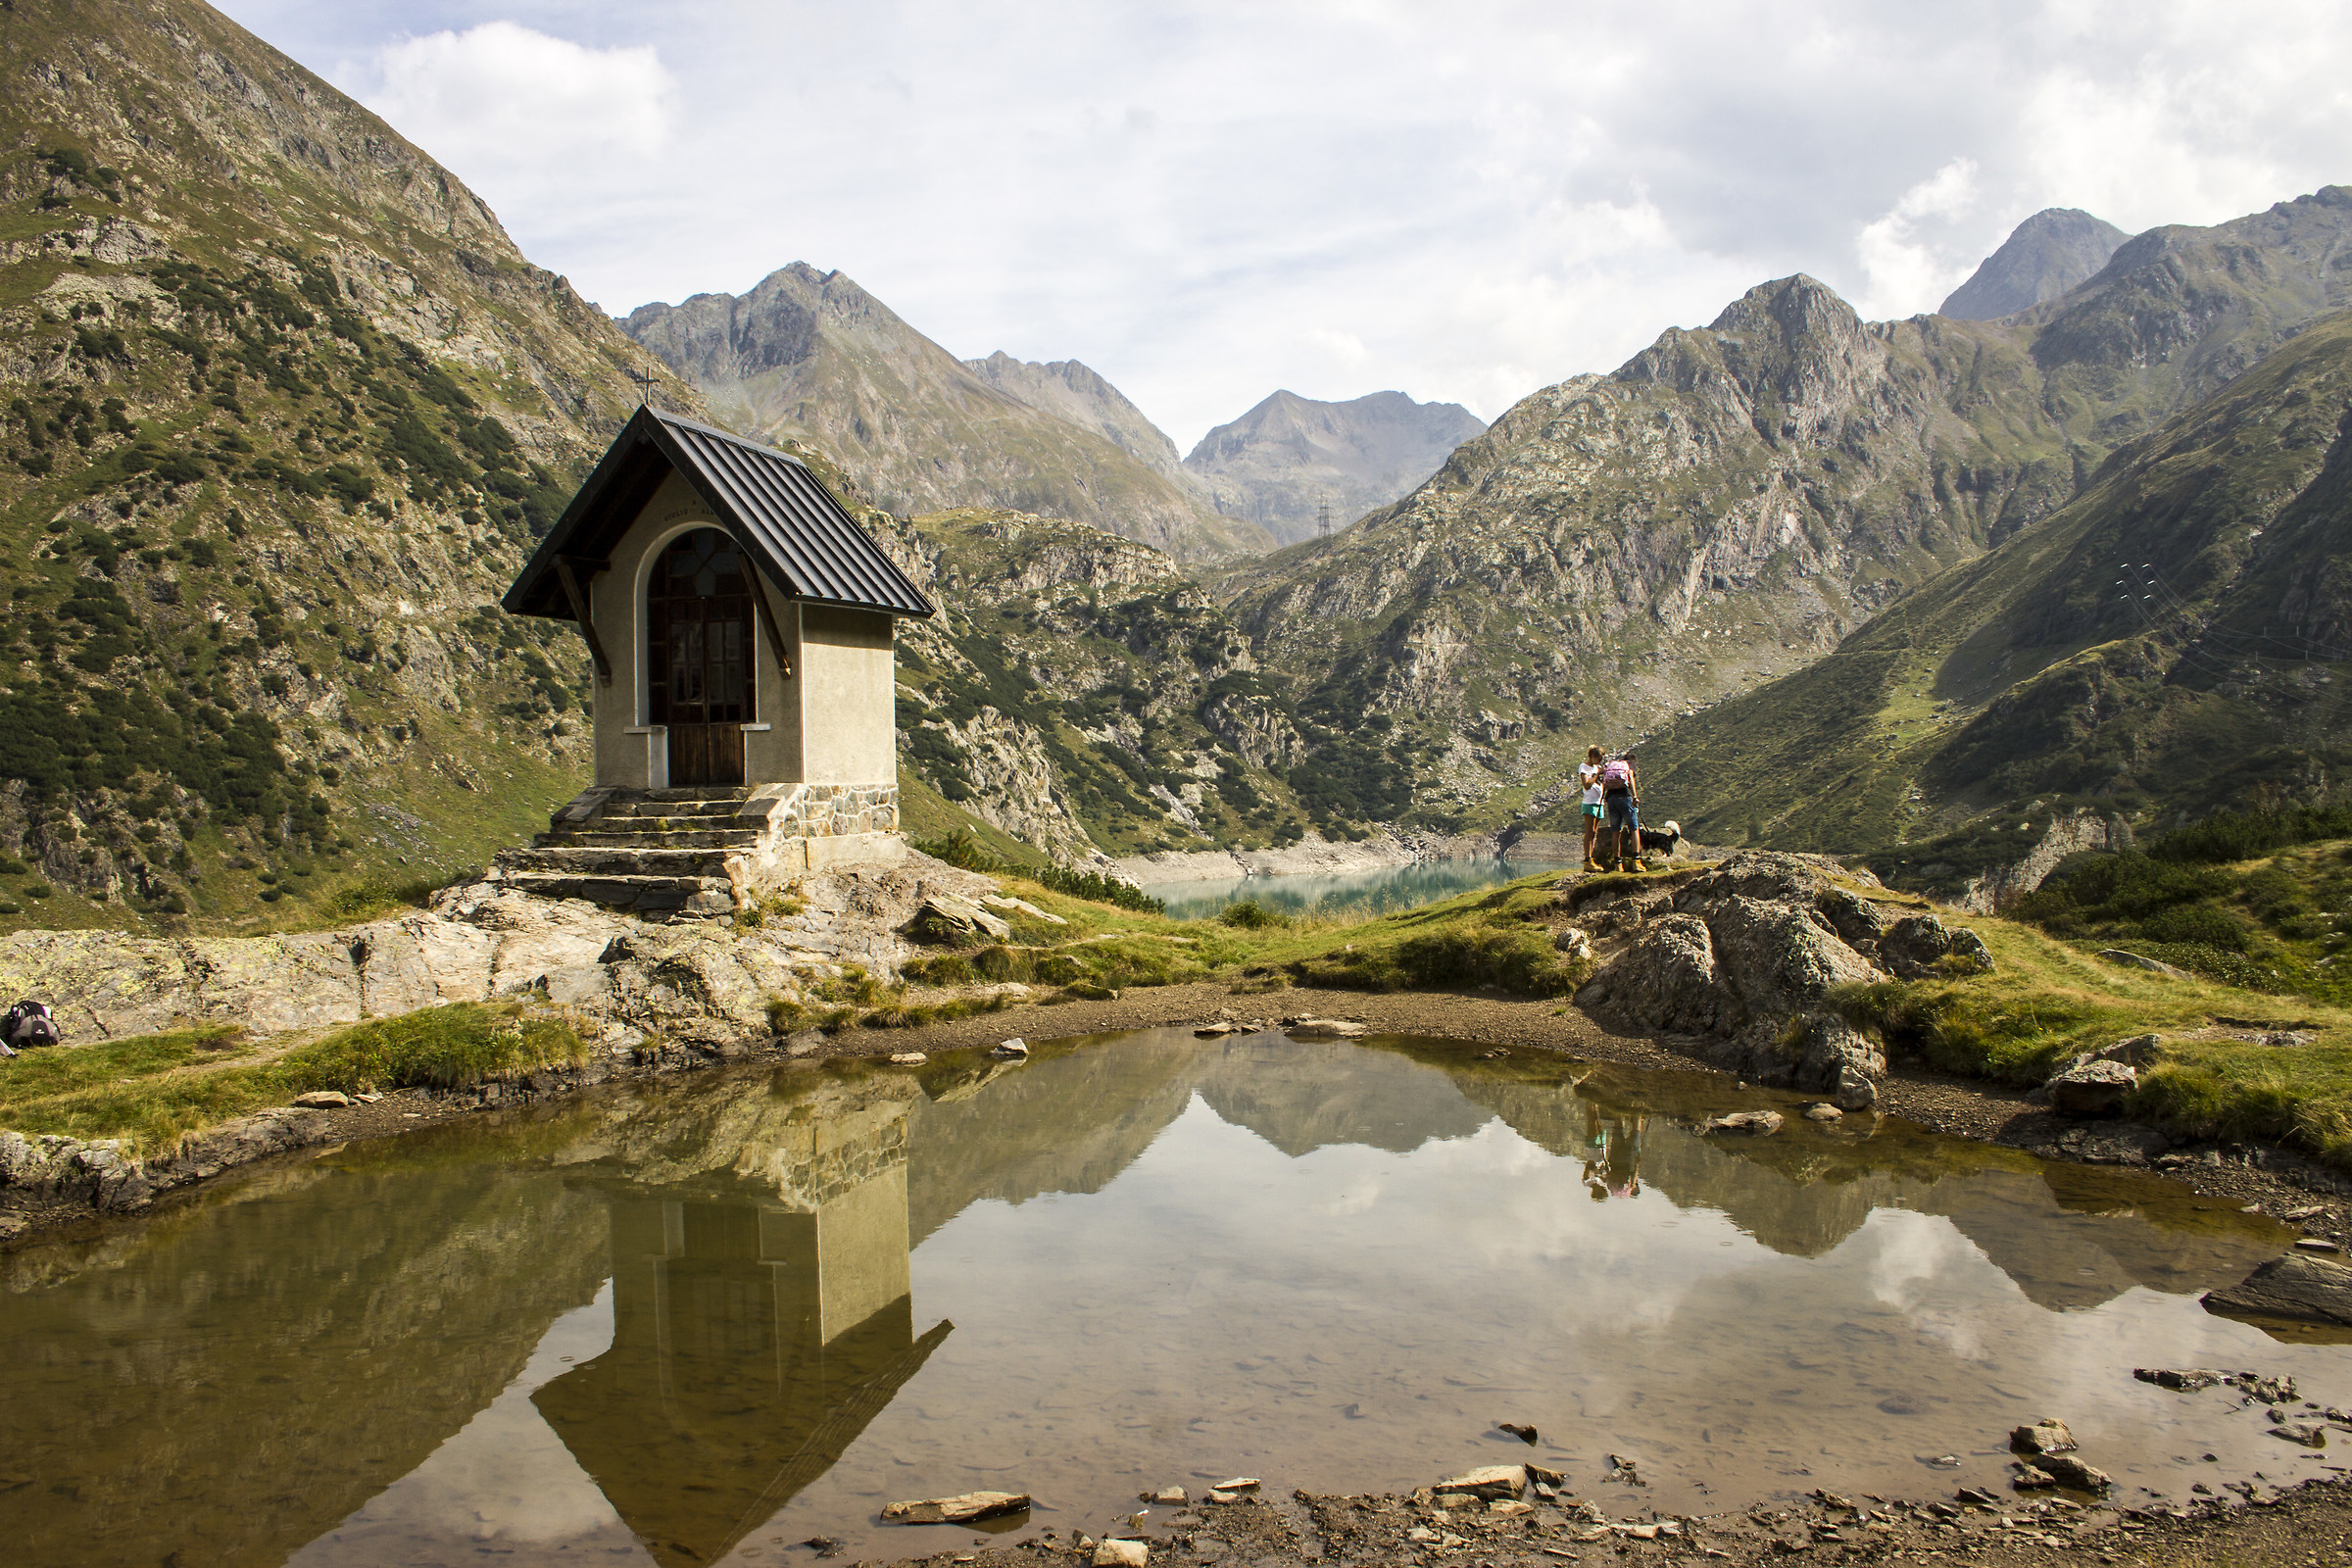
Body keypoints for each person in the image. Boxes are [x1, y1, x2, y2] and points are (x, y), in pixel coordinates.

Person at [1599, 750, 1640, 870]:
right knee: (1634, 828)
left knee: (1615, 831)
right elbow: (1631, 779)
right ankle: (1636, 862)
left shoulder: (1614, 766)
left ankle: (1617, 864)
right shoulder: (1629, 765)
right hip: (1624, 797)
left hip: (1611, 799)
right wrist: (1635, 796)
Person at [1577, 746, 1606, 871]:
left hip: (1599, 802)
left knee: (1594, 832)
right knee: (1589, 832)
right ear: (1592, 757)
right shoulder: (1583, 767)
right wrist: (1597, 774)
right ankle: (1587, 859)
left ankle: (1592, 858)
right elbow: (1587, 785)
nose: (1599, 762)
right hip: (1589, 803)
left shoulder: (1596, 767)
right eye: (1598, 759)